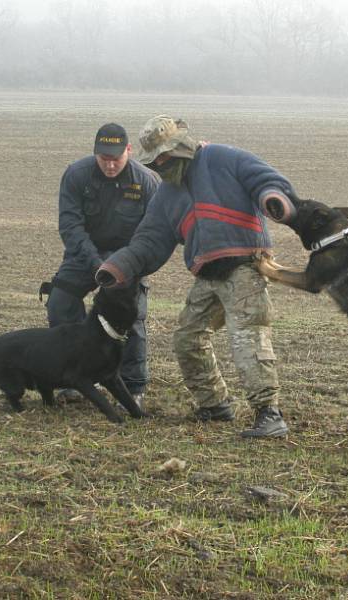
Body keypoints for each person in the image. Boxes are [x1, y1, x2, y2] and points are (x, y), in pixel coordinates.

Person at [94, 115, 298, 438]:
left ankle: (269, 414)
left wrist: (273, 200)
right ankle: (214, 405)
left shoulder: (222, 158)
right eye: (155, 160)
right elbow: (149, 241)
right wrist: (117, 267)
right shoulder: (166, 195)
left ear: (182, 146)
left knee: (247, 336)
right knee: (187, 339)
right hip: (208, 274)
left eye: (166, 156)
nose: (161, 163)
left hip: (245, 265)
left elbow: (264, 179)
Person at [46, 123, 159, 407]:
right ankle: (74, 378)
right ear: (95, 153)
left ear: (129, 151)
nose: (110, 165)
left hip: (128, 259)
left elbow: (154, 234)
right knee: (60, 302)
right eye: (103, 158)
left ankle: (133, 387)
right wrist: (96, 263)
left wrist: (124, 265)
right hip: (84, 255)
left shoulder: (147, 182)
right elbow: (70, 226)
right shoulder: (76, 175)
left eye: (116, 158)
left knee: (131, 316)